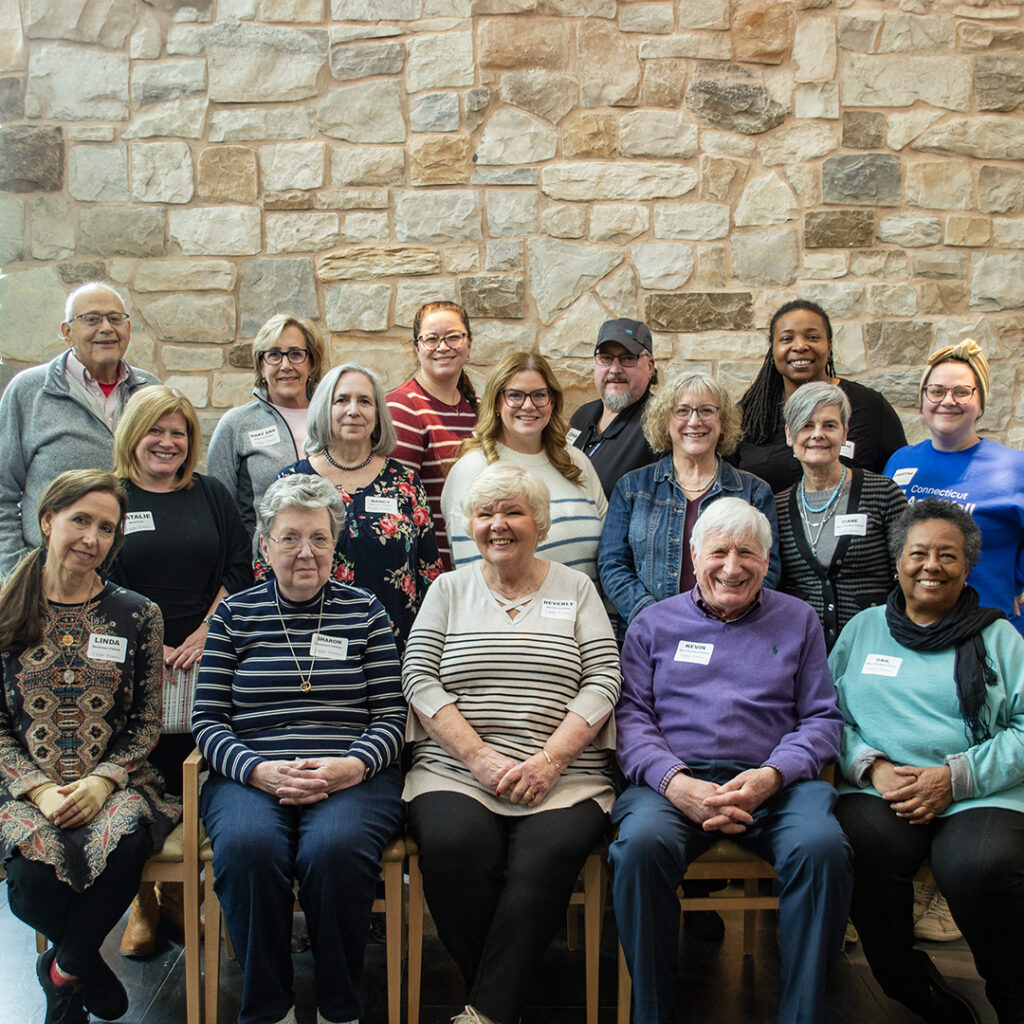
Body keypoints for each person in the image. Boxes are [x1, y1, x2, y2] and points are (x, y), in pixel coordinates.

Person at [611, 498, 852, 1024]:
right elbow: (630, 721)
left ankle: (802, 1016)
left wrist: (771, 776)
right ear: (694, 555)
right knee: (639, 848)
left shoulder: (799, 620)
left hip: (775, 783)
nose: (732, 565)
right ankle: (652, 1015)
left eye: (748, 552)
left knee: (821, 848)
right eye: (719, 550)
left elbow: (822, 719)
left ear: (767, 562)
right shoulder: (652, 623)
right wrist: (676, 784)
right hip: (673, 784)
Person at [403, 463, 621, 1024]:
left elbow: (604, 680)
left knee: (542, 858)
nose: (498, 525)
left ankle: (487, 1010)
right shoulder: (447, 590)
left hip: (566, 776)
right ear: (470, 526)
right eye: (486, 514)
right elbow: (419, 679)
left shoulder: (576, 589)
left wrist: (551, 760)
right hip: (455, 770)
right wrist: (477, 756)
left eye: (513, 512)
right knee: (453, 847)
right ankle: (501, 1001)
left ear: (539, 524)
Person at [193, 473, 405, 1024]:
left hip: (352, 772)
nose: (304, 552)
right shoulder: (234, 618)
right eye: (289, 538)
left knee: (333, 850)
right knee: (247, 848)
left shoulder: (367, 613)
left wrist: (349, 766)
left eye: (318, 537)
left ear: (336, 544)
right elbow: (209, 720)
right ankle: (269, 1008)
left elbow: (391, 714)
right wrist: (258, 771)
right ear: (265, 545)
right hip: (250, 774)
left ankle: (340, 1007)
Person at [830, 499, 1024, 1024]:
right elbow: (826, 716)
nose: (931, 566)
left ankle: (1013, 997)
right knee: (857, 845)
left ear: (967, 566)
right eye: (918, 553)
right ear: (897, 561)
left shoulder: (999, 637)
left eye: (948, 556)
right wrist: (872, 767)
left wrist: (955, 777)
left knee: (980, 867)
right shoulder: (864, 630)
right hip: (881, 787)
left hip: (980, 790)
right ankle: (908, 984)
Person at [0, 470, 179, 1024]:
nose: (92, 538)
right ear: (48, 520)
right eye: (81, 520)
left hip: (116, 780)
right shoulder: (5, 608)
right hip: (24, 784)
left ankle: (63, 973)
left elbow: (147, 721)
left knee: (124, 851)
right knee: (29, 884)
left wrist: (103, 780)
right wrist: (38, 789)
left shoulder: (137, 614)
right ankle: (84, 970)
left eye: (106, 528)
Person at [109, 386, 252, 955]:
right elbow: (101, 576)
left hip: (206, 652)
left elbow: (240, 567)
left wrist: (205, 633)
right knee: (142, 773)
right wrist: (151, 641)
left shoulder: (210, 494)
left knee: (201, 771)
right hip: (130, 657)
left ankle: (185, 893)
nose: (168, 442)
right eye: (156, 430)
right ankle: (145, 904)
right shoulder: (111, 497)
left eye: (179, 433)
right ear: (133, 436)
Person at [263, 363, 441, 652]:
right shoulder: (290, 481)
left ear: (378, 414)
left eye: (365, 401)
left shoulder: (406, 482)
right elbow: (265, 568)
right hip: (307, 646)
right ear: (325, 408)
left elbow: (429, 571)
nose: (353, 410)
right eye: (342, 400)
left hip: (393, 647)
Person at [599, 370, 780, 635]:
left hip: (731, 635)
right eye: (682, 411)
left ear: (722, 422)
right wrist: (657, 618)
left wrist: (717, 618)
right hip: (651, 636)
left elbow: (768, 567)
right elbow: (612, 565)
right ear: (666, 421)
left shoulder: (753, 492)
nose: (694, 421)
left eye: (706, 411)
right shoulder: (632, 488)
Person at [0, 282, 159, 577]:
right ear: (66, 332)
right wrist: (17, 573)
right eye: (91, 319)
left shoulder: (150, 390)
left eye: (115, 319)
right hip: (53, 576)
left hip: (139, 575)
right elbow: (3, 492)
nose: (106, 328)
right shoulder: (29, 391)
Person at [884, 339, 1024, 637]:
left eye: (962, 392)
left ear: (981, 404)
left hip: (986, 628)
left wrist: (1019, 583)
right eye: (936, 391)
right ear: (923, 400)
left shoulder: (1014, 467)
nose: (948, 401)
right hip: (912, 629)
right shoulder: (900, 461)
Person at [442, 352, 606, 582]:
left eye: (539, 395)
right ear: (496, 402)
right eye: (515, 396)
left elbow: (610, 553)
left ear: (553, 401)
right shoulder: (471, 470)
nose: (528, 406)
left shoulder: (576, 462)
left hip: (586, 612)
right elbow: (471, 575)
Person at [775, 381, 906, 652]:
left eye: (829, 425)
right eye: (806, 425)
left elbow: (907, 573)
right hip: (802, 653)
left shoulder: (883, 493)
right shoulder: (777, 505)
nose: (817, 434)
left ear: (845, 433)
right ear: (789, 435)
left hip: (875, 649)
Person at [730, 299, 906, 493]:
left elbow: (898, 479)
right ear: (772, 349)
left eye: (812, 337)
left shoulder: (870, 407)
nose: (800, 346)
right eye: (787, 339)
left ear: (829, 346)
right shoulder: (748, 416)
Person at [206, 314, 327, 543]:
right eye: (273, 355)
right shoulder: (236, 424)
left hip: (329, 559)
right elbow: (219, 511)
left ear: (311, 363)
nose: (285, 365)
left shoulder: (333, 419)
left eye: (295, 354)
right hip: (262, 565)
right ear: (261, 367)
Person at [386, 301, 479, 569]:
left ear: (469, 345)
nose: (442, 347)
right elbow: (399, 505)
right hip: (434, 571)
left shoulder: (481, 409)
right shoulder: (402, 408)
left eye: (453, 337)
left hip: (479, 567)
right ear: (417, 348)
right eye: (431, 339)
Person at [567, 318, 662, 497]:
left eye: (628, 358)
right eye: (605, 358)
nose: (615, 369)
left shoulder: (658, 424)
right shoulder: (582, 416)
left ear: (650, 367)